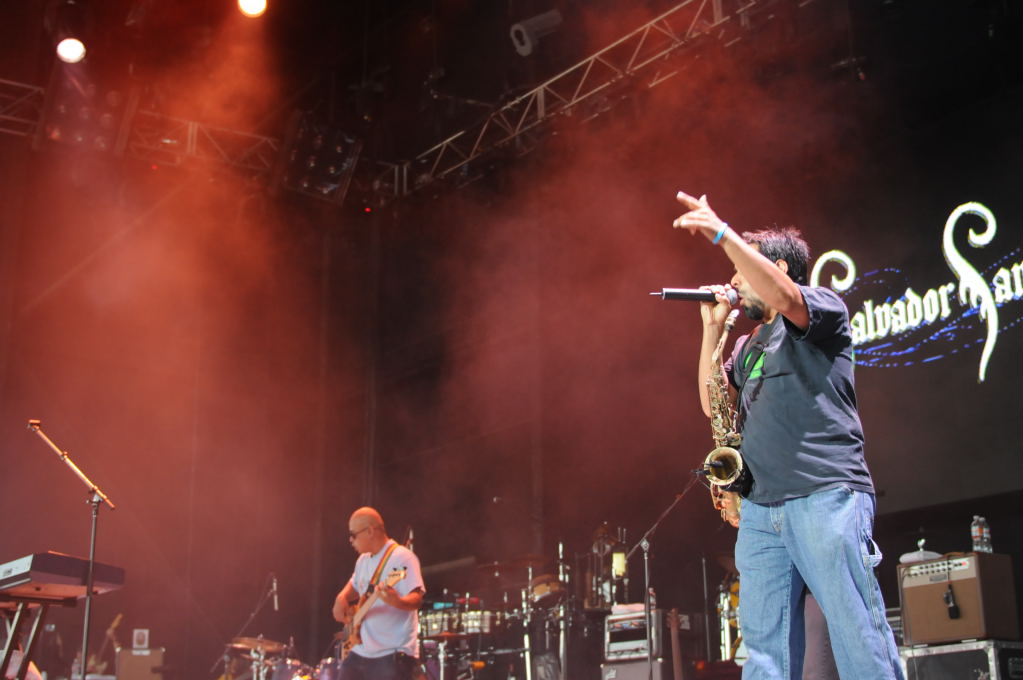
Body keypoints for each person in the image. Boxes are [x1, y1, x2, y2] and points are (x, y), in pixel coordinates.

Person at [673, 191, 903, 680]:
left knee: (855, 628)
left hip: (823, 493)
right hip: (761, 509)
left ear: (775, 268)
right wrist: (712, 331)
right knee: (763, 649)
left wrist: (722, 234)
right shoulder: (748, 344)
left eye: (742, 272)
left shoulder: (823, 306)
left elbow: (786, 298)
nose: (734, 283)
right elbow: (713, 404)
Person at [332, 507, 425, 680]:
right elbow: (355, 585)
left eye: (353, 534)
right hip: (361, 651)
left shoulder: (402, 557)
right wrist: (342, 597)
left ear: (370, 531)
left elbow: (417, 598)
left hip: (391, 653)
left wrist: (398, 602)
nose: (350, 540)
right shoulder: (363, 560)